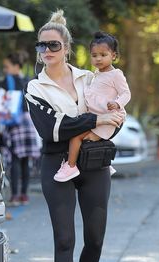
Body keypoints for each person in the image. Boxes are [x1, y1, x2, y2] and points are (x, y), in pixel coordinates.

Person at [25, 10, 125, 262]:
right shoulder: (35, 88)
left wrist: (109, 118)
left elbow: (118, 114)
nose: (47, 51)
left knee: (95, 237)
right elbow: (52, 129)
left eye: (53, 45)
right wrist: (96, 120)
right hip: (58, 164)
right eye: (41, 46)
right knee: (65, 238)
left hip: (95, 162)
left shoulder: (90, 77)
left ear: (66, 47)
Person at [54, 31, 131, 182]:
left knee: (76, 138)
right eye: (94, 55)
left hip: (108, 118)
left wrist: (117, 103)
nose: (98, 59)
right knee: (86, 139)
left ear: (113, 56)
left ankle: (70, 166)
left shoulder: (116, 75)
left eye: (103, 55)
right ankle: (103, 162)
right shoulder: (95, 74)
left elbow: (126, 93)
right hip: (97, 117)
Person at [0, 53, 40, 206]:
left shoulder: (8, 80)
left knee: (15, 160)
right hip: (28, 122)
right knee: (26, 160)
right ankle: (24, 195)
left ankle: (14, 196)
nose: (5, 70)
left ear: (15, 66)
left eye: (6, 67)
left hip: (15, 123)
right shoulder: (27, 81)